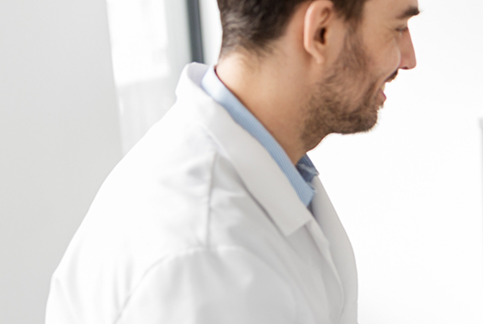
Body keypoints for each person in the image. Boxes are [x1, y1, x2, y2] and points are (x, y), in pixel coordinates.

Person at [44, 0, 418, 322]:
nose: (409, 58)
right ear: (321, 31)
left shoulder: (273, 168)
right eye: (398, 28)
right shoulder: (203, 262)